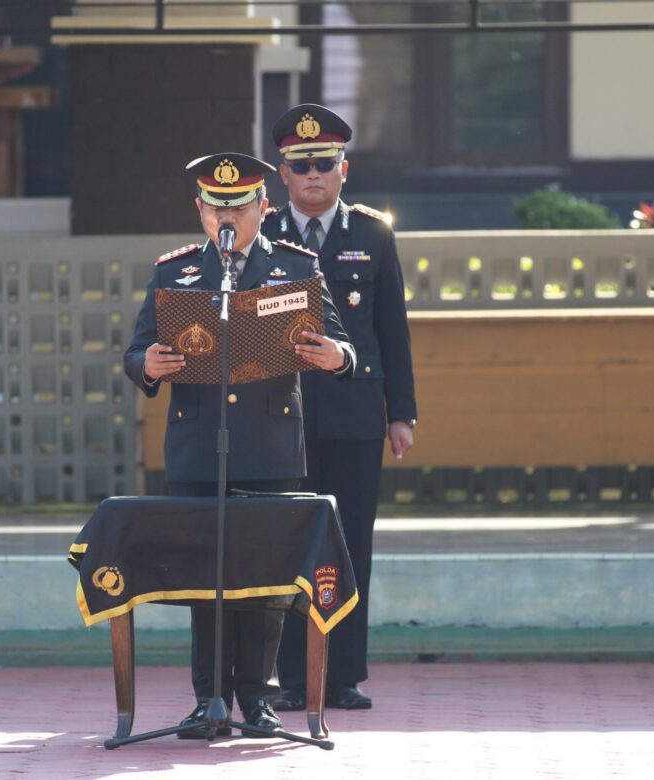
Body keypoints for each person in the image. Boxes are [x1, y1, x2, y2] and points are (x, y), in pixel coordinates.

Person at [124, 151, 356, 738]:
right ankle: (210, 698)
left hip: (270, 444)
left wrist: (336, 357)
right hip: (199, 446)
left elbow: (344, 345)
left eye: (240, 208)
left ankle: (258, 698)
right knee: (208, 577)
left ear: (263, 208)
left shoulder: (295, 268)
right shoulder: (175, 272)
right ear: (200, 210)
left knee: (266, 576)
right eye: (215, 208)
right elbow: (137, 351)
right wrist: (147, 365)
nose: (226, 218)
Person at [261, 104, 417, 711]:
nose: (313, 176)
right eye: (301, 167)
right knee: (288, 545)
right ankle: (290, 678)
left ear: (344, 170)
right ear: (283, 174)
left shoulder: (374, 234)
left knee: (349, 545)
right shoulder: (264, 235)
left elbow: (392, 330)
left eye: (324, 164)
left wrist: (400, 413)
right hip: (280, 420)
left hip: (354, 417)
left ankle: (344, 674)